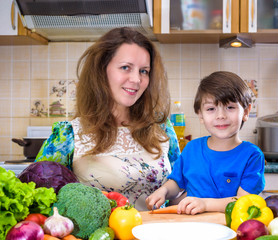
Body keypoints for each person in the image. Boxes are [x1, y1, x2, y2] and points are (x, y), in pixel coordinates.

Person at [35, 27, 180, 211]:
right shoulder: (68, 135)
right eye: (125, 67)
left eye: (144, 71)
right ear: (101, 71)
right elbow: (37, 198)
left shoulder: (161, 127)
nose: (136, 79)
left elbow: (179, 189)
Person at [146, 71, 265, 214]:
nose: (221, 116)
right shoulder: (192, 149)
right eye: (211, 109)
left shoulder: (252, 155)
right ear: (200, 115)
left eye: (230, 107)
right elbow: (177, 183)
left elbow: (245, 201)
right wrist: (163, 191)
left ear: (246, 112)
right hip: (192, 227)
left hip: (231, 229)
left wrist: (205, 204)